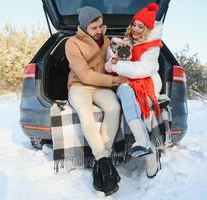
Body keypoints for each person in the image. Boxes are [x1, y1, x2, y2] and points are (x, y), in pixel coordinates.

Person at [65, 6, 127, 195]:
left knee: (114, 107)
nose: (99, 31)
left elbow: (116, 61)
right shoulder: (72, 43)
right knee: (85, 112)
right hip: (79, 86)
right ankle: (103, 161)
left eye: (100, 26)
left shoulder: (107, 41)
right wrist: (114, 80)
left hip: (102, 87)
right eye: (94, 28)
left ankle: (103, 161)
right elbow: (84, 75)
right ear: (84, 27)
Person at [105, 2, 163, 178]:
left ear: (147, 28)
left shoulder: (152, 46)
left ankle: (144, 145)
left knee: (132, 100)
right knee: (125, 92)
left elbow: (143, 69)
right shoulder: (126, 42)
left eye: (141, 26)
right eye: (134, 24)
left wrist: (118, 66)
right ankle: (145, 145)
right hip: (127, 83)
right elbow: (109, 66)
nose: (136, 29)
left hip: (147, 84)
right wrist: (113, 57)